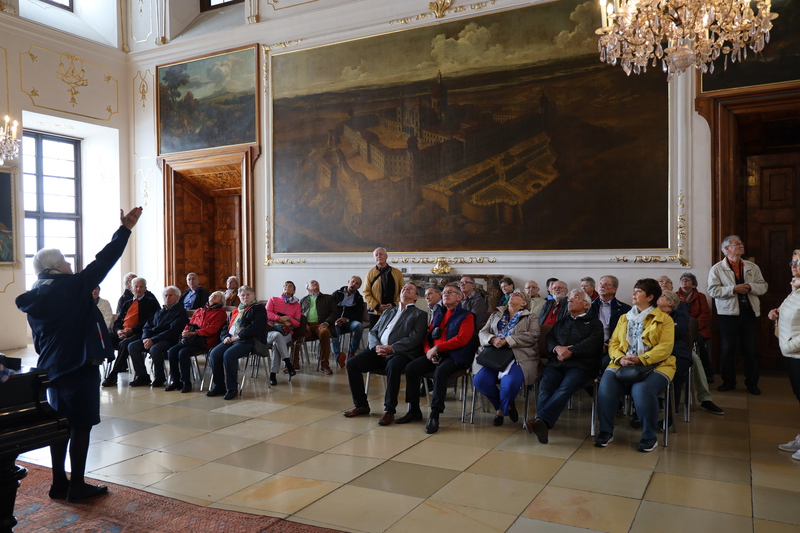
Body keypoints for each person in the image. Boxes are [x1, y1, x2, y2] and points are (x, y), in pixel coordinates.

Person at [15, 207, 142, 503]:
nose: (70, 264)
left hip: (51, 367)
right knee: (81, 425)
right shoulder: (72, 288)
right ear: (55, 267)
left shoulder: (36, 294)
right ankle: (78, 486)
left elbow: (39, 339)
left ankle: (59, 483)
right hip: (79, 364)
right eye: (65, 260)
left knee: (60, 425)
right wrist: (124, 230)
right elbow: (105, 260)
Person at [595, 278, 675, 453]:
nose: (633, 293)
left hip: (657, 365)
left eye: (639, 291)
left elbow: (664, 348)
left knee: (641, 390)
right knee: (606, 384)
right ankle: (606, 431)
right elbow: (614, 343)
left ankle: (649, 437)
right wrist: (620, 359)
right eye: (634, 290)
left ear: (650, 297)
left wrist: (641, 359)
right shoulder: (624, 318)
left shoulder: (664, 319)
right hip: (623, 362)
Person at [343, 283, 428, 425]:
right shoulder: (389, 311)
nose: (406, 289)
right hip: (378, 350)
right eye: (404, 288)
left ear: (416, 297)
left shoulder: (419, 314)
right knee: (352, 364)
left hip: (401, 353)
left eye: (410, 289)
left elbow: (414, 338)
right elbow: (373, 331)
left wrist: (392, 348)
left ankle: (389, 410)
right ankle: (361, 405)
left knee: (393, 366)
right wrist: (376, 346)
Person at [526, 289, 603, 443]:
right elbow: (550, 339)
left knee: (565, 388)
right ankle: (543, 423)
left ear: (586, 304)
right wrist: (557, 349)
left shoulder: (595, 323)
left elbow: (593, 343)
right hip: (557, 363)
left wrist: (571, 351)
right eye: (569, 299)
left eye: (576, 298)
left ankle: (542, 420)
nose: (570, 300)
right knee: (545, 386)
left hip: (581, 366)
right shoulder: (562, 321)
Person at [398, 284, 476, 434]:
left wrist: (438, 348)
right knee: (411, 368)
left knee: (440, 372)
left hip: (455, 355)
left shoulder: (467, 316)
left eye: (450, 292)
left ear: (459, 297)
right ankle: (414, 410)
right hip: (435, 353)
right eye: (444, 292)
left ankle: (434, 414)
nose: (445, 294)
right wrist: (429, 351)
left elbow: (462, 339)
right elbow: (427, 338)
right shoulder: (439, 313)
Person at [708, 235, 768, 395]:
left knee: (750, 349)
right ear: (726, 249)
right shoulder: (717, 269)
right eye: (737, 244)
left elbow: (763, 286)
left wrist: (750, 287)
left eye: (741, 243)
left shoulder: (752, 267)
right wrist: (733, 289)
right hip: (728, 314)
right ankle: (728, 382)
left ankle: (752, 384)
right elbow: (712, 290)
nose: (742, 245)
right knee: (728, 349)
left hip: (749, 313)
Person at [473, 290, 539, 427]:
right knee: (480, 381)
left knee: (509, 385)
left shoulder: (531, 317)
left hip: (518, 355)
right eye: (512, 294)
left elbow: (533, 335)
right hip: (493, 354)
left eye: (517, 295)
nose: (512, 295)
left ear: (524, 303)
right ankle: (506, 405)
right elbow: (483, 332)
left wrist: (508, 340)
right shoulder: (496, 315)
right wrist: (492, 339)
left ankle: (500, 411)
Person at [207, 285, 267, 400]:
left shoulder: (258, 309)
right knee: (214, 354)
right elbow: (225, 327)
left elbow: (255, 327)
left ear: (254, 296)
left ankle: (232, 388)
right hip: (231, 339)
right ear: (239, 296)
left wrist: (238, 337)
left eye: (248, 295)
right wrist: (225, 337)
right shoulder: (236, 310)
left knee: (229, 355)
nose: (245, 297)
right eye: (242, 295)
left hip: (249, 340)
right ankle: (219, 386)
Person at [768, 250, 800, 461]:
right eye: (792, 262)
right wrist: (775, 313)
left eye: (798, 263)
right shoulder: (795, 288)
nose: (793, 266)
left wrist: (792, 345)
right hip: (792, 353)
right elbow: (788, 311)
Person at [165, 290, 227, 393]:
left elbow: (212, 329)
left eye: (216, 296)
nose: (212, 297)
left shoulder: (220, 313)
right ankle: (175, 381)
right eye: (212, 295)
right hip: (190, 339)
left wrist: (194, 333)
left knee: (183, 353)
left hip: (205, 341)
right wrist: (185, 332)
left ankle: (186, 382)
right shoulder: (199, 310)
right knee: (172, 351)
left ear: (221, 301)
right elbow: (189, 324)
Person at [103, 277, 160, 387]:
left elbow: (149, 321)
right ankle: (105, 361)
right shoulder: (127, 303)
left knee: (125, 343)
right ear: (131, 288)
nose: (138, 289)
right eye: (136, 286)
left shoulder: (151, 302)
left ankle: (114, 374)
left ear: (145, 288)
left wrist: (132, 330)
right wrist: (118, 331)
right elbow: (118, 321)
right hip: (124, 332)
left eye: (141, 287)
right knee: (106, 337)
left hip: (140, 333)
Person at [126, 286, 188, 387]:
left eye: (170, 295)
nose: (167, 298)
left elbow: (173, 331)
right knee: (132, 346)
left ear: (177, 297)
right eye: (165, 295)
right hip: (153, 338)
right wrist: (145, 338)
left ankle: (160, 377)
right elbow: (147, 326)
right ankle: (142, 376)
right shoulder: (160, 311)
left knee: (154, 349)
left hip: (169, 339)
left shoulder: (180, 312)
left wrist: (153, 340)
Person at [678, 272, 714, 383]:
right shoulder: (675, 296)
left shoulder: (700, 297)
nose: (684, 281)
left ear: (694, 285)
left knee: (701, 344)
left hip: (698, 329)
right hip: (680, 329)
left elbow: (705, 314)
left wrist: (693, 327)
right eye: (683, 280)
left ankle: (707, 371)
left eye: (687, 280)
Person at [297, 280, 338, 375]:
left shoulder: (328, 298)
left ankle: (324, 365)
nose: (315, 283)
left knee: (325, 332)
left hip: (320, 325)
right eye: (312, 283)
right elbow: (298, 314)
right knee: (297, 335)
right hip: (306, 326)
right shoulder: (303, 300)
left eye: (316, 282)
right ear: (307, 288)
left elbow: (335, 312)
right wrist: (303, 324)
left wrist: (327, 322)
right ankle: (294, 364)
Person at [265, 281, 301, 385]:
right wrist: (280, 318)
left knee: (277, 342)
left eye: (290, 286)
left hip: (286, 333)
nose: (287, 287)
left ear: (294, 291)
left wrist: (288, 318)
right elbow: (266, 313)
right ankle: (288, 363)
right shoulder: (273, 299)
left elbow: (297, 323)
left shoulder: (296, 305)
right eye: (285, 285)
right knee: (277, 336)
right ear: (282, 289)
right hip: (270, 332)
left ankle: (273, 374)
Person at [590, 275, 631, 359]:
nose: (602, 286)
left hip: (613, 347)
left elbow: (625, 332)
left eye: (606, 284)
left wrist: (607, 344)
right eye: (600, 284)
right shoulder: (588, 306)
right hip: (590, 345)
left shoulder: (625, 309)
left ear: (614, 289)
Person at [363, 247, 404, 329]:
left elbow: (402, 291)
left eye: (381, 254)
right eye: (376, 255)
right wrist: (377, 306)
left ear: (386, 256)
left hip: (393, 311)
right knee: (375, 335)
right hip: (375, 312)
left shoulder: (397, 273)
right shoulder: (370, 274)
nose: (378, 256)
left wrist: (394, 304)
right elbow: (366, 292)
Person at [331, 276, 366, 368]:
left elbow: (359, 315)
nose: (353, 284)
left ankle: (352, 352)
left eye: (357, 284)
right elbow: (330, 309)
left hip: (349, 322)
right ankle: (338, 356)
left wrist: (346, 319)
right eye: (352, 281)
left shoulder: (359, 298)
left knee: (359, 326)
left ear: (359, 287)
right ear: (348, 282)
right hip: (336, 321)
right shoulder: (337, 294)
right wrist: (336, 320)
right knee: (333, 329)